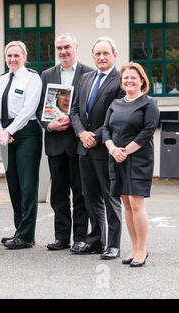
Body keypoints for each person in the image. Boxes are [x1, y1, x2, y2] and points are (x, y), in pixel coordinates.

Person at [36, 33, 94, 252]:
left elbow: (92, 105)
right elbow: (38, 106)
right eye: (59, 48)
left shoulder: (88, 73)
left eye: (67, 47)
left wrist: (76, 120)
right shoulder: (47, 74)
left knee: (80, 193)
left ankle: (80, 237)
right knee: (59, 194)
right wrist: (48, 125)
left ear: (76, 47)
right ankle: (61, 237)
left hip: (79, 142)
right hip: (55, 142)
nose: (63, 51)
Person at [70, 36, 125, 259]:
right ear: (92, 56)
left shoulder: (120, 79)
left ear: (114, 55)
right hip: (84, 148)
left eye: (106, 53)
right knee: (90, 197)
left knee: (110, 198)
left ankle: (113, 244)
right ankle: (96, 240)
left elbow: (118, 114)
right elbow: (74, 110)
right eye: (98, 54)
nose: (101, 57)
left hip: (105, 148)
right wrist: (82, 133)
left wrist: (97, 135)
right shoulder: (85, 78)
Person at [102, 62, 159, 267]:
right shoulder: (115, 104)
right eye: (126, 77)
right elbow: (106, 130)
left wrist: (126, 151)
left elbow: (147, 131)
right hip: (116, 157)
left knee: (136, 203)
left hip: (138, 159)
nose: (129, 80)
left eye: (133, 77)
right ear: (122, 81)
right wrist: (113, 149)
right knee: (125, 204)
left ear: (142, 80)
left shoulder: (148, 103)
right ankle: (134, 248)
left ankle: (142, 249)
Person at [0, 41, 42, 249]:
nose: (12, 59)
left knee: (27, 185)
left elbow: (29, 110)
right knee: (13, 184)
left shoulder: (32, 79)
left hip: (27, 134)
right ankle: (19, 230)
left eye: (16, 55)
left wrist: (8, 131)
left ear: (24, 56)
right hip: (5, 135)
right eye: (9, 56)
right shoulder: (1, 80)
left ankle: (27, 235)